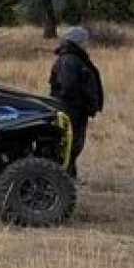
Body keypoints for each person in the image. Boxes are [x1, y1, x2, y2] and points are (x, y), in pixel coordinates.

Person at [49, 26, 104, 176]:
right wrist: (80, 104)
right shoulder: (70, 59)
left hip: (76, 110)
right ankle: (62, 177)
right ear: (78, 41)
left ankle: (69, 175)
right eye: (85, 40)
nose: (87, 43)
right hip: (71, 110)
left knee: (74, 144)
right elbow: (68, 87)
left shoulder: (75, 58)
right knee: (70, 144)